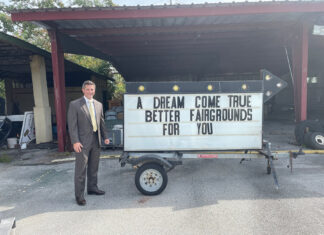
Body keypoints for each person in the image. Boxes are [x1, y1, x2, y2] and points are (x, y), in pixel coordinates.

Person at [68, 80, 109, 206]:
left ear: (94, 90)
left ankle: (92, 188)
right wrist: (75, 141)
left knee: (93, 167)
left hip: (96, 141)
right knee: (80, 170)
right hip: (82, 142)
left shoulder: (98, 104)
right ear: (83, 90)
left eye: (92, 89)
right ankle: (79, 196)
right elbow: (72, 125)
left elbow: (101, 122)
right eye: (88, 89)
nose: (90, 92)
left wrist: (105, 137)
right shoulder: (75, 105)